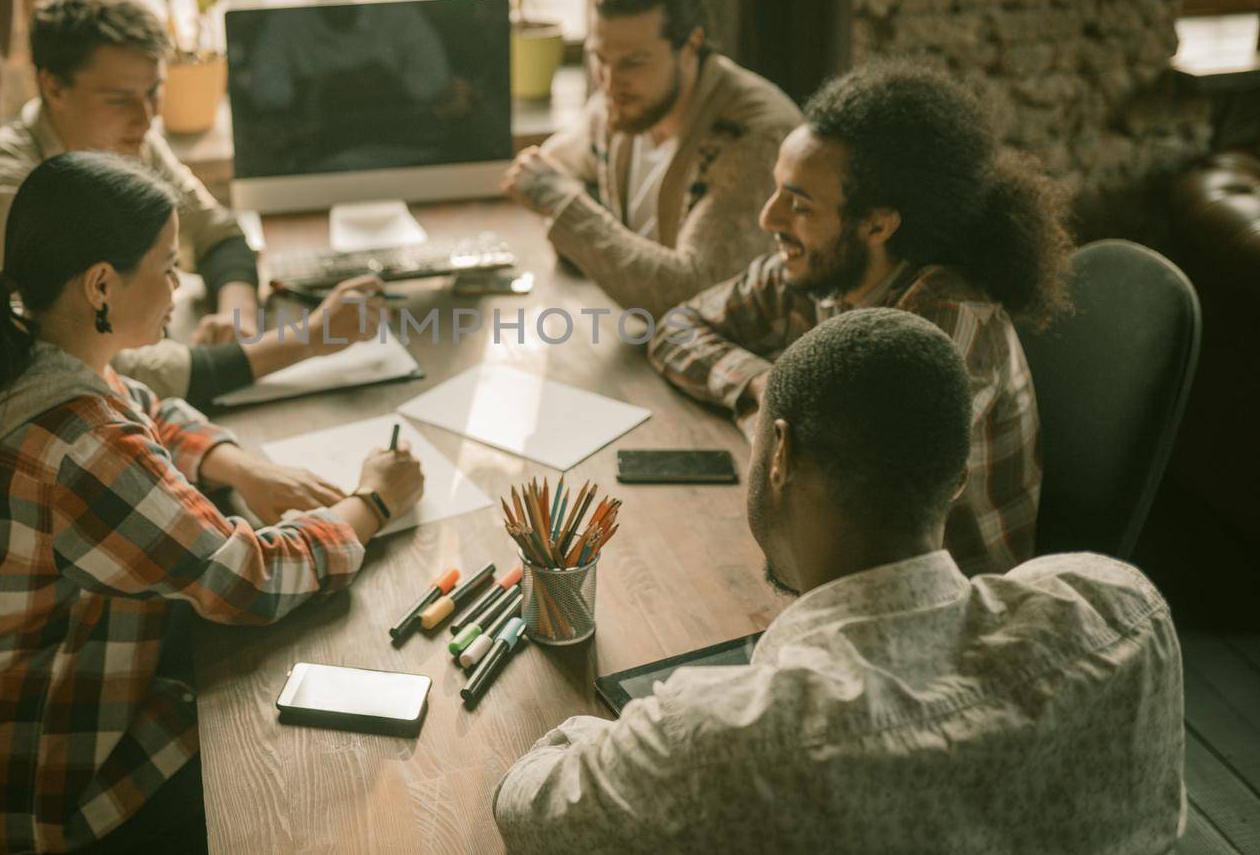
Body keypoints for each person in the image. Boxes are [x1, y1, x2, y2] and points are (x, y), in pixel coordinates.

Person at [0, 152, 424, 855]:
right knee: (315, 776)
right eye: (169, 267)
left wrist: (236, 464)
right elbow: (249, 577)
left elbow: (148, 407)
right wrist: (372, 502)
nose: (179, 287)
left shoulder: (23, 351)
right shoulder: (80, 444)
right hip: (21, 798)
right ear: (102, 284)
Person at [495, 309, 1185, 854]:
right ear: (955, 479)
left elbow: (526, 808)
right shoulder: (1123, 609)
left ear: (781, 455)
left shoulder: (727, 736)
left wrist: (614, 733)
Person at [650, 61, 1073, 575]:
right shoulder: (821, 269)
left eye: (799, 205)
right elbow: (676, 328)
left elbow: (854, 512)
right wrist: (762, 384)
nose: (769, 218)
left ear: (876, 225)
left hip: (946, 609)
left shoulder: (947, 327)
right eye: (777, 188)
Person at [0, 0, 370, 412]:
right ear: (53, 87)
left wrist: (239, 318)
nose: (145, 118)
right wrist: (309, 338)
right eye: (119, 99)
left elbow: (215, 230)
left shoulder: (124, 140)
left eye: (153, 92)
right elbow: (115, 370)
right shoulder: (3, 198)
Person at [501, 0, 801, 319]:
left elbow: (692, 294)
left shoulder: (755, 136)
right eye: (600, 59)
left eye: (633, 62)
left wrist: (566, 206)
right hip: (634, 335)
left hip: (732, 352)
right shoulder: (623, 105)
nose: (610, 83)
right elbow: (547, 168)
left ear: (691, 45)